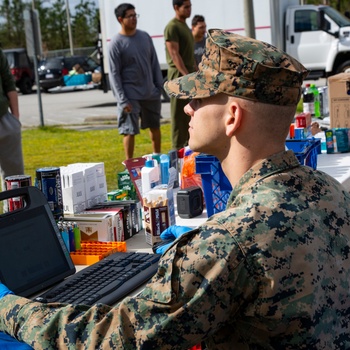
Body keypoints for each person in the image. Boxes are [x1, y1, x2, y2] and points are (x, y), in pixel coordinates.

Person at [1, 29, 350, 349]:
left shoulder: (228, 241)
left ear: (232, 117)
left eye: (198, 99)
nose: (187, 108)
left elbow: (106, 340)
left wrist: (8, 308)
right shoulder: (331, 191)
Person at [108, 3, 163, 160]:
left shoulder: (144, 37)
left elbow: (154, 63)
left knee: (155, 126)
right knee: (129, 131)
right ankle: (129, 165)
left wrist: (158, 86)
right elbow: (114, 74)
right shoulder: (116, 43)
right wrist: (122, 100)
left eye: (135, 15)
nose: (134, 19)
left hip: (150, 93)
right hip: (130, 96)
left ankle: (158, 158)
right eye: (130, 16)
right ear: (120, 19)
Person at [164, 0, 196, 150]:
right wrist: (186, 77)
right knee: (178, 117)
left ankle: (190, 148)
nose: (189, 10)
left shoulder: (185, 27)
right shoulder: (172, 27)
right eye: (186, 7)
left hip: (189, 74)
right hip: (179, 77)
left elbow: (189, 55)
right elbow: (175, 55)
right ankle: (177, 151)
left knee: (190, 114)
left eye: (190, 6)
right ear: (176, 8)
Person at [0, 49, 24, 195]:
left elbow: (9, 83)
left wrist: (15, 118)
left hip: (4, 120)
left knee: (15, 181)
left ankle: (15, 216)